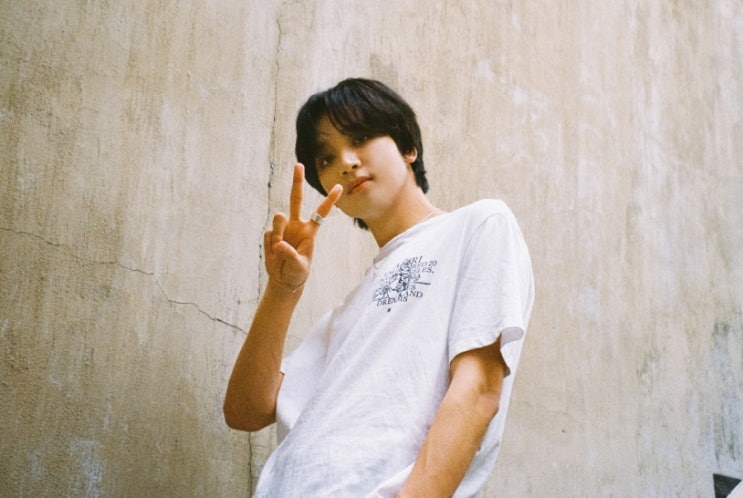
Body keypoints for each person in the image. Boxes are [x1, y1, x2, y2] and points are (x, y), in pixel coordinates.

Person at [224, 78, 534, 497]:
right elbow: (245, 411)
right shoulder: (343, 316)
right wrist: (282, 290)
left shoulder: (478, 225)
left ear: (408, 147)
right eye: (327, 158)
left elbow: (479, 390)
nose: (346, 162)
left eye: (360, 137)